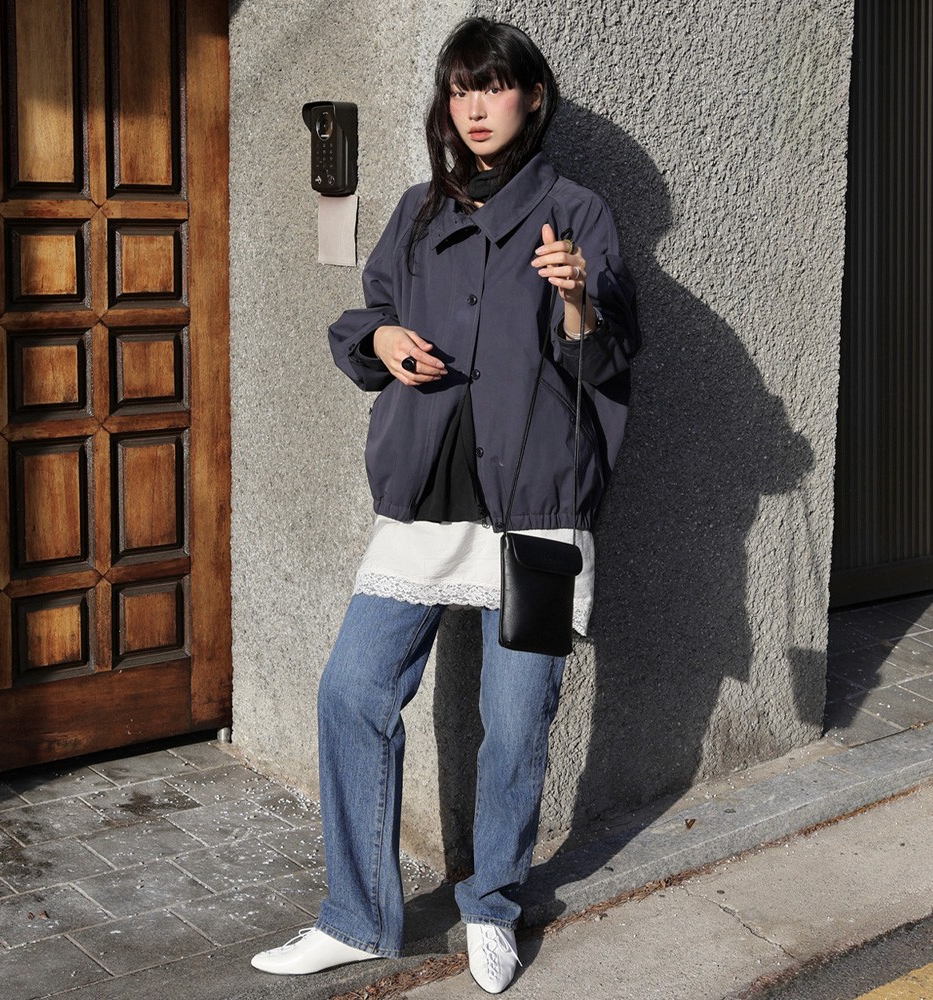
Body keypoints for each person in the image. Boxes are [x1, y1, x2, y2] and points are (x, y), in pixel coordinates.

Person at [251, 16, 640, 995]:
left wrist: (577, 299)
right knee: (352, 691)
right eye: (461, 88)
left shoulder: (577, 213)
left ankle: (492, 907)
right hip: (426, 493)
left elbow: (611, 362)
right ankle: (355, 914)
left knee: (516, 721)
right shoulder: (420, 211)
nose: (474, 106)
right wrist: (380, 341)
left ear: (532, 99)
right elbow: (372, 312)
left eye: (494, 86)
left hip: (536, 508)